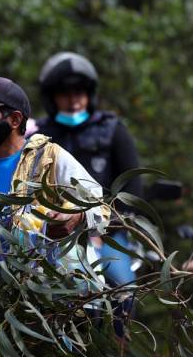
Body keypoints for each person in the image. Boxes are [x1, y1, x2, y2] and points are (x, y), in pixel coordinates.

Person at [0, 77, 105, 284]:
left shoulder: (49, 158)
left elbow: (98, 204)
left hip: (46, 296)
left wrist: (77, 215)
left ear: (15, 119)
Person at [36, 52, 142, 289]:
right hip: (50, 232)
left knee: (122, 287)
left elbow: (132, 191)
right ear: (52, 98)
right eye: (64, 93)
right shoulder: (38, 134)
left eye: (79, 92)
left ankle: (120, 325)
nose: (73, 100)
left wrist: (101, 227)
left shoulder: (112, 130)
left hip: (108, 234)